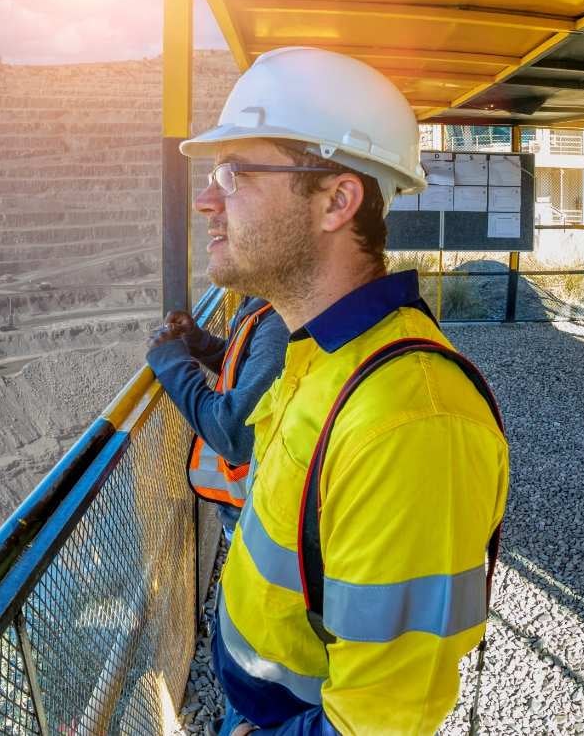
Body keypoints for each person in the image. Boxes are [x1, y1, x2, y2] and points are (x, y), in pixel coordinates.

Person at [178, 46, 510, 735]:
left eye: (235, 172)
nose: (207, 198)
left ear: (336, 200)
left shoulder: (411, 423)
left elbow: (375, 725)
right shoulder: (318, 350)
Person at [147, 295, 289, 538]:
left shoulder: (278, 324)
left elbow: (232, 434)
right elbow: (247, 369)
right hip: (250, 509)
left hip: (254, 520)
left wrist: (171, 363)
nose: (213, 254)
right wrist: (198, 341)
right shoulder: (262, 305)